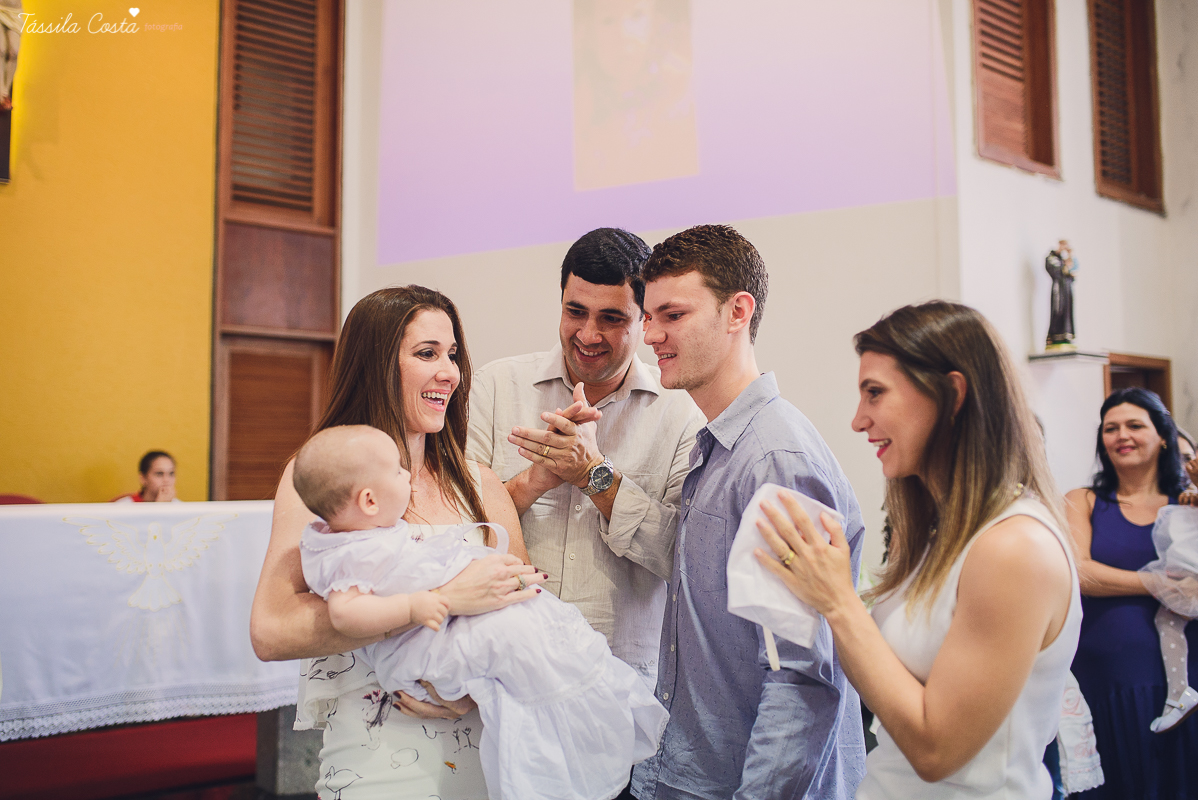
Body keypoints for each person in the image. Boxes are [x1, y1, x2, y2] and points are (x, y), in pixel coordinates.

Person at [754, 300, 1080, 798]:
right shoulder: (940, 533)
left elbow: (936, 750)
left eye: (875, 394)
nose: (858, 421)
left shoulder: (1015, 549)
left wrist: (839, 602)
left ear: (951, 393)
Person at [249, 286, 548, 800]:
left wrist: (475, 691)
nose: (449, 372)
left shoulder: (477, 481)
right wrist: (428, 607)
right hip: (379, 748)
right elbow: (271, 630)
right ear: (378, 365)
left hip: (488, 744)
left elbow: (528, 604)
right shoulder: (324, 480)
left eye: (452, 354)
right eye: (427, 353)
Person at [294, 424, 667, 800]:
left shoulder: (377, 530)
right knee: (521, 645)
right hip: (420, 644)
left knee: (540, 636)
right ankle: (568, 751)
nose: (407, 474)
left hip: (444, 631)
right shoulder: (349, 552)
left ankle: (587, 715)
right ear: (370, 501)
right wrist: (418, 604)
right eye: (396, 471)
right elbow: (344, 614)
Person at [631, 224, 866, 800]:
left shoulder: (775, 459)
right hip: (683, 772)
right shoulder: (716, 444)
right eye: (648, 316)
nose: (650, 335)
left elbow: (801, 678)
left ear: (738, 311)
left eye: (672, 315)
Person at [467, 227, 704, 689]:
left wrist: (595, 476)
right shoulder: (495, 388)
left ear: (645, 322)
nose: (588, 334)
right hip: (500, 669)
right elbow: (451, 534)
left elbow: (682, 557)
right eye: (576, 311)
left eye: (612, 318)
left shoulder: (683, 411)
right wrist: (532, 482)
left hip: (617, 683)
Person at [1064, 387, 1197, 798]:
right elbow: (1079, 572)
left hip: (1187, 677)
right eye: (1110, 428)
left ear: (1162, 435)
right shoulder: (1082, 501)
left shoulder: (1188, 502)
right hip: (1108, 682)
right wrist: (1160, 584)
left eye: (1135, 425)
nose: (1122, 435)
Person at [113, 451, 178, 502]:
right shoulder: (123, 508)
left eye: (171, 474)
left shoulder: (182, 508)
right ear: (143, 478)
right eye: (159, 474)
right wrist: (160, 507)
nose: (166, 480)